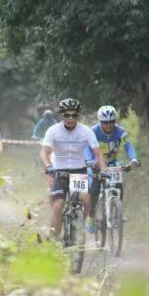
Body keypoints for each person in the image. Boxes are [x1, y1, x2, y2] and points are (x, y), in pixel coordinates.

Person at [40, 98, 106, 237]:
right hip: (59, 170)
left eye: (74, 115)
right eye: (66, 115)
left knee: (86, 199)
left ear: (78, 116)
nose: (70, 118)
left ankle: (83, 223)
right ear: (61, 115)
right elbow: (44, 151)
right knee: (58, 206)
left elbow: (98, 153)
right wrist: (48, 166)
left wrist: (104, 169)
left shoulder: (86, 131)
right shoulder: (53, 131)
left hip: (78, 171)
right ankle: (53, 240)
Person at [85, 105, 140, 225]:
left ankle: (117, 210)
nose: (109, 125)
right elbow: (87, 148)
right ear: (100, 121)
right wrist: (89, 161)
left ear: (115, 121)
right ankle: (91, 216)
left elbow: (128, 146)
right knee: (94, 190)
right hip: (96, 163)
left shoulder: (120, 131)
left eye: (112, 122)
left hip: (112, 162)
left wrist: (133, 159)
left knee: (119, 183)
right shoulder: (93, 131)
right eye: (105, 122)